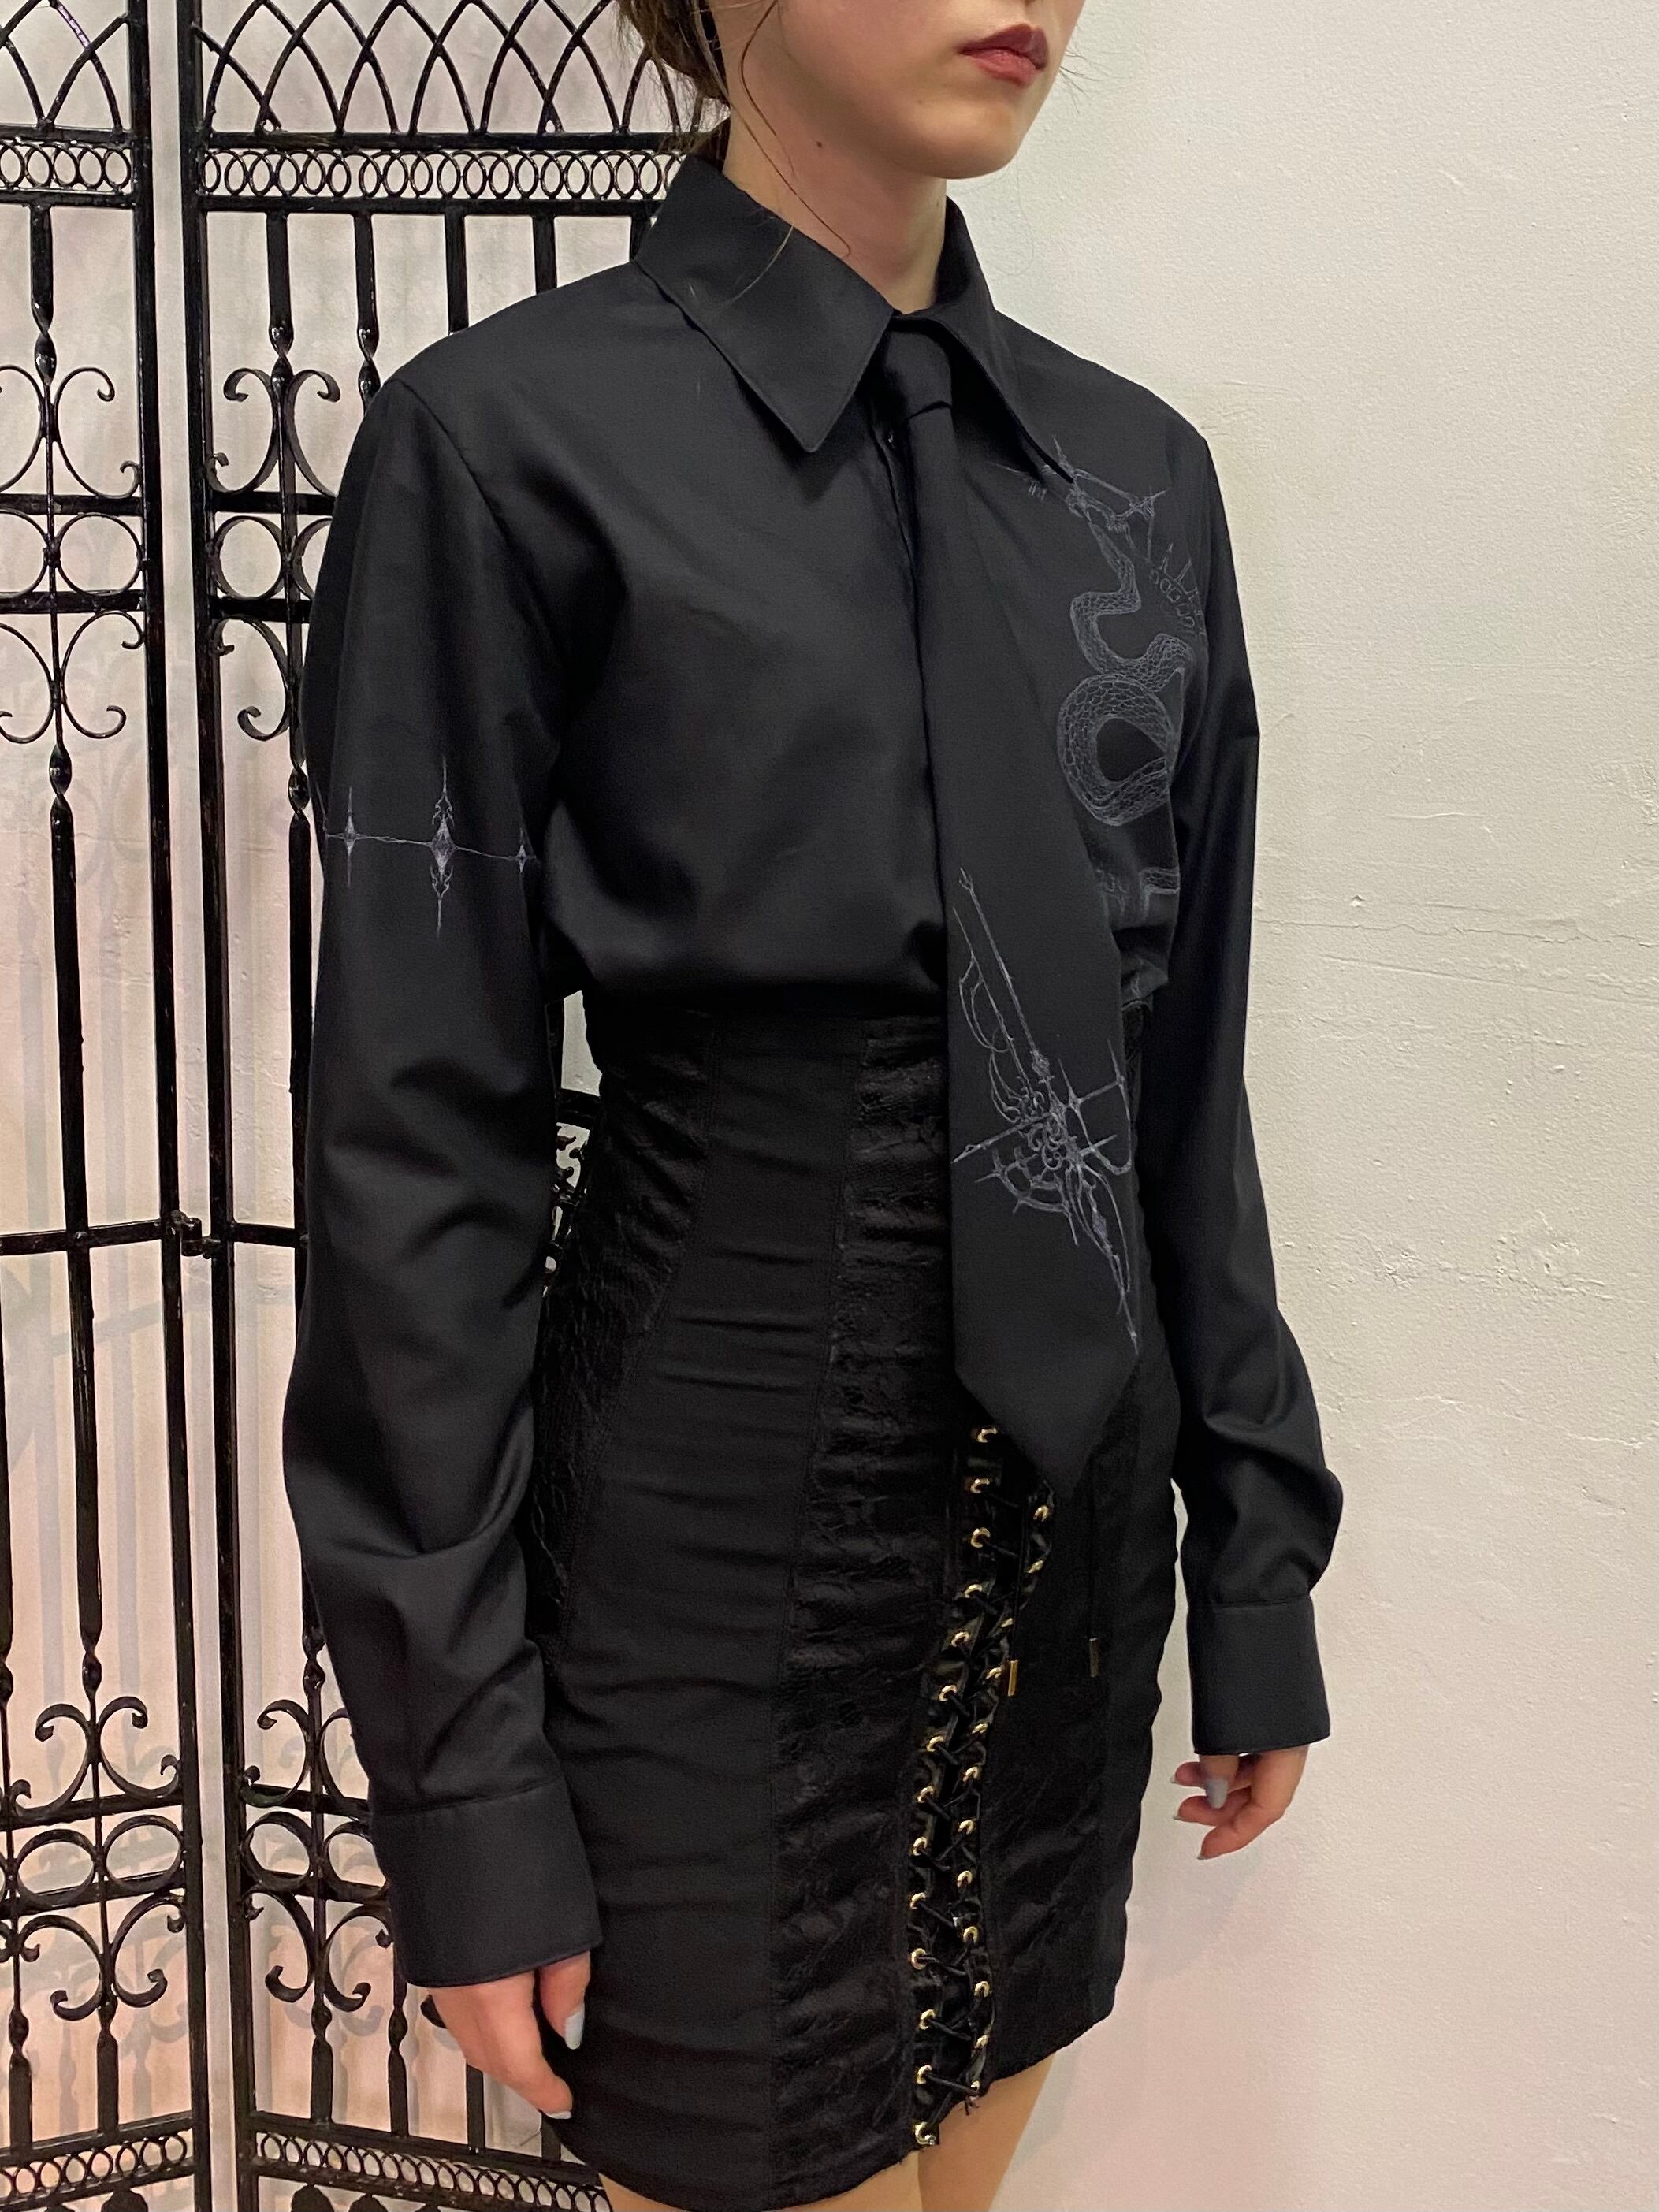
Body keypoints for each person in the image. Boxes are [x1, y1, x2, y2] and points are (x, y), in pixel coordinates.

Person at [281, 4, 1344, 2207]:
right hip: (704, 1610)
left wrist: (1253, 1558)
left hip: (1066, 1594)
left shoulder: (1134, 479)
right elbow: (418, 1156)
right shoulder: (506, 445)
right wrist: (464, 1787)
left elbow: (1177, 1077)